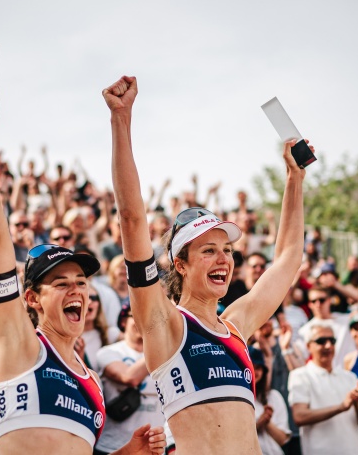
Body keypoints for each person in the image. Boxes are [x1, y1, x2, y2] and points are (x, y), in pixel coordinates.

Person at [105, 75, 306, 454]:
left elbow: (287, 260)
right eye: (208, 250)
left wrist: (294, 180)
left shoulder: (236, 325)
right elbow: (132, 219)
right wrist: (121, 120)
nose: (223, 259)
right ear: (180, 264)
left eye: (227, 250)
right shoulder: (165, 323)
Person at [0, 83, 164, 455]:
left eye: (81, 282)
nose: (77, 291)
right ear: (31, 298)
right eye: (61, 284)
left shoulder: (91, 379)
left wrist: (128, 453)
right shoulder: (19, 343)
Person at [288, 324, 358, 455]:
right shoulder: (300, 375)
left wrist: (356, 402)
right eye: (321, 341)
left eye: (332, 341)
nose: (328, 346)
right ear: (308, 346)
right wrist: (341, 407)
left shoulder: (349, 377)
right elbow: (299, 416)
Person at [95, 305, 165, 454]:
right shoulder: (108, 352)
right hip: (111, 448)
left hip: (153, 448)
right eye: (135, 315)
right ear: (123, 322)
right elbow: (129, 377)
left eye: (147, 317)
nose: (142, 320)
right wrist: (162, 347)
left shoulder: (167, 355)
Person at [249, 347, 291, 455]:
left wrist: (267, 422)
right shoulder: (237, 398)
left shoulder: (273, 396)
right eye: (251, 366)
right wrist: (258, 424)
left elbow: (282, 440)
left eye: (258, 368)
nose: (254, 371)